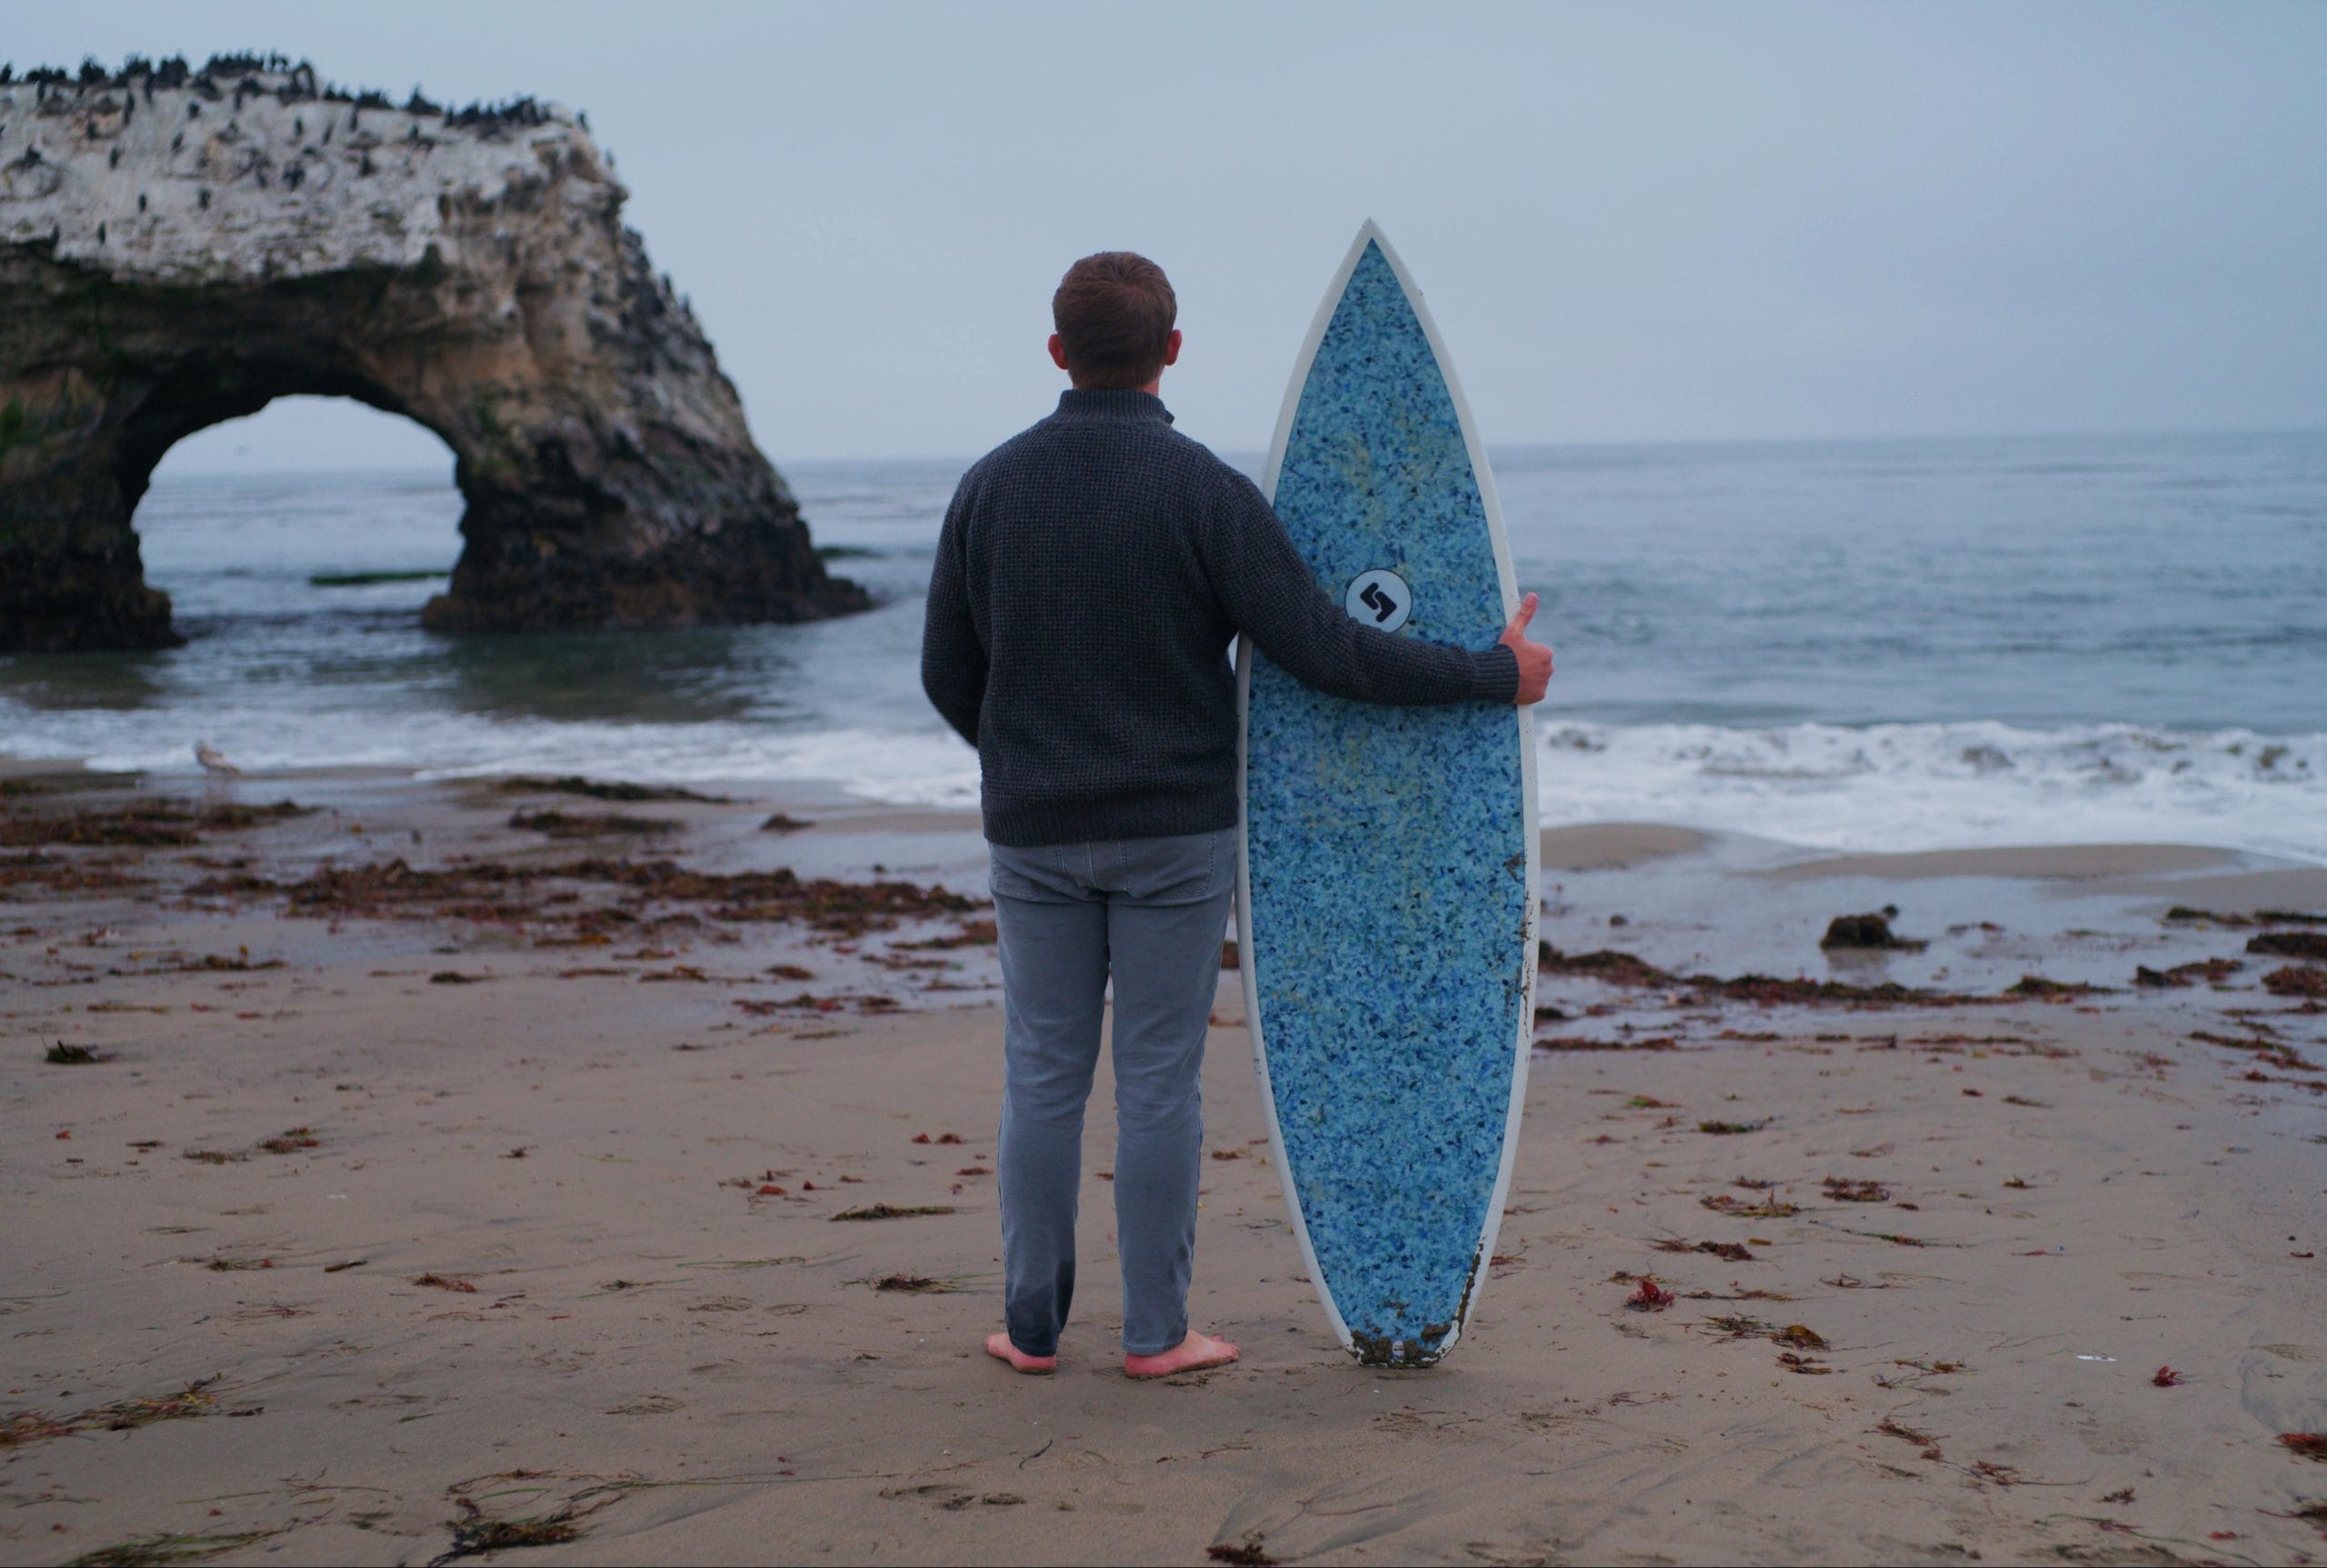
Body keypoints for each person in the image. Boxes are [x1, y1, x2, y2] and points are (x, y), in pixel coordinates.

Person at [920, 251, 1553, 1379]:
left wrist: (1028, 761)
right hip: (1174, 836)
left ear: (1058, 352)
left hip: (1033, 835)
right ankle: (1157, 1336)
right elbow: (1326, 651)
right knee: (1158, 1078)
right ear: (1172, 351)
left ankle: (1028, 1330)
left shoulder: (990, 488)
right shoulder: (1204, 494)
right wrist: (1490, 675)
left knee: (1043, 1078)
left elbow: (945, 674)